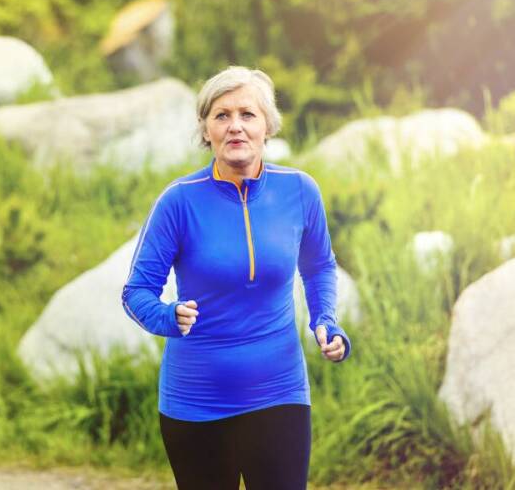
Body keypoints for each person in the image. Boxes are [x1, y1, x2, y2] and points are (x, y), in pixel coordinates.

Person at [121, 66, 351, 490]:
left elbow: (319, 266)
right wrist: (167, 316)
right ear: (206, 130)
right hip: (195, 402)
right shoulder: (179, 201)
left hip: (279, 393)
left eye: (248, 114)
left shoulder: (299, 191)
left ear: (268, 126)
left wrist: (325, 320)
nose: (235, 127)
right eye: (221, 116)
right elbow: (136, 291)